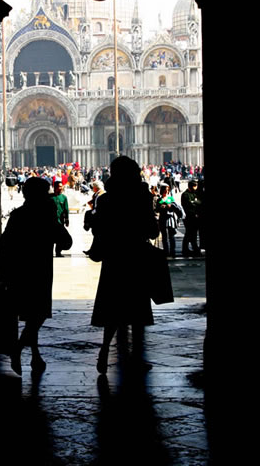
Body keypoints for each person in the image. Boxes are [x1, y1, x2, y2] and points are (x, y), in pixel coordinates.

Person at [89, 156, 159, 374]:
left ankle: (104, 352)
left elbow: (98, 229)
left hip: (114, 259)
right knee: (137, 309)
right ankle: (136, 357)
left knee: (112, 307)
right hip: (136, 258)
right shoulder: (141, 198)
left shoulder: (106, 199)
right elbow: (152, 230)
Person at [0, 176, 60, 376]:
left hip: (20, 272)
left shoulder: (18, 215)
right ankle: (18, 349)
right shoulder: (44, 216)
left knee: (31, 315)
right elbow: (65, 241)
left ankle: (35, 354)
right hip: (38, 272)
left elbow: (4, 243)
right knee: (37, 315)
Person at [155, 184, 183, 258]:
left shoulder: (171, 198)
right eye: (165, 190)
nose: (166, 192)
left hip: (170, 218)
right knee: (164, 236)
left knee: (171, 236)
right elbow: (156, 209)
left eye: (167, 190)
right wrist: (161, 207)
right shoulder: (159, 199)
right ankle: (166, 251)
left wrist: (170, 206)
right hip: (163, 218)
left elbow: (176, 207)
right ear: (162, 191)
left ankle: (172, 251)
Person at [181, 179, 201, 256]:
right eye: (195, 186)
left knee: (194, 234)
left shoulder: (194, 194)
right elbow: (190, 204)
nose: (196, 188)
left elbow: (199, 202)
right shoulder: (185, 194)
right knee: (188, 234)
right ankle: (186, 249)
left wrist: (195, 202)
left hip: (195, 217)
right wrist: (195, 202)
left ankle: (193, 249)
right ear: (191, 186)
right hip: (189, 217)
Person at [51, 181, 69, 257]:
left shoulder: (64, 197)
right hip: (51, 221)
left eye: (61, 186)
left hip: (60, 221)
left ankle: (58, 252)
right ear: (54, 187)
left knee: (60, 238)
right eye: (59, 186)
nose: (61, 188)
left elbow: (66, 209)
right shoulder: (49, 197)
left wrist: (67, 219)